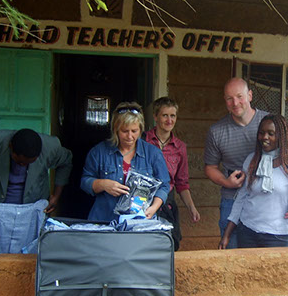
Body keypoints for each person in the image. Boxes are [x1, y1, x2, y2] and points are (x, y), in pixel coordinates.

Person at [218, 114, 288, 257]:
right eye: (262, 133)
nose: (265, 137)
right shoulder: (252, 160)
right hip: (247, 231)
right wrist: (227, 234)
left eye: (271, 133)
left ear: (282, 136)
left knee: (274, 278)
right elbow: (241, 198)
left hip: (277, 235)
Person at [204, 77, 269, 248]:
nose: (235, 103)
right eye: (229, 98)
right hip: (231, 199)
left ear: (249, 95)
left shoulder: (270, 123)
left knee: (261, 256)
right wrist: (227, 182)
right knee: (230, 252)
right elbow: (210, 168)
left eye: (240, 96)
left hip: (264, 199)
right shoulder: (216, 131)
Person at [81, 102, 170, 222]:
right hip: (104, 220)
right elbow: (85, 181)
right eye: (124, 131)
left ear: (141, 129)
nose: (129, 136)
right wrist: (103, 184)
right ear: (115, 129)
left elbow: (164, 185)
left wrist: (154, 208)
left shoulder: (153, 153)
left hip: (139, 221)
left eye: (134, 131)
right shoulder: (99, 152)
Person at [143, 97, 200, 251]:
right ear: (155, 117)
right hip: (143, 204)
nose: (169, 120)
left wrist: (191, 207)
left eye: (173, 115)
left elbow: (182, 183)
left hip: (167, 205)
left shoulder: (179, 147)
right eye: (165, 115)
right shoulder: (143, 141)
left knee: (167, 247)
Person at [0, 128, 72, 215]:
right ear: (11, 147)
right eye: (20, 163)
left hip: (31, 210)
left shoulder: (51, 148)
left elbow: (66, 162)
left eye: (29, 163)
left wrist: (56, 196)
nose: (23, 166)